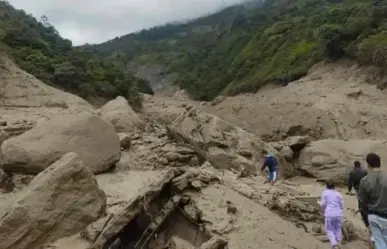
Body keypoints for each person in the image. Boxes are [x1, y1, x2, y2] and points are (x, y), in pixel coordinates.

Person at [359, 153, 387, 249]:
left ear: (368, 165)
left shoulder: (364, 181)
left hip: (373, 216)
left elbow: (362, 202)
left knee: (380, 243)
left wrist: (365, 216)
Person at [347, 161, 374, 244]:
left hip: (358, 189)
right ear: (360, 165)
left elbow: (350, 182)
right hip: (366, 189)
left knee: (360, 201)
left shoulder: (352, 172)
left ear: (354, 165)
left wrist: (349, 190)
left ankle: (362, 212)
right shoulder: (364, 171)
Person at [319, 180, 344, 249]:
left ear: (326, 186)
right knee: (338, 229)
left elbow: (323, 204)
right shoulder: (339, 194)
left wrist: (318, 202)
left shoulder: (325, 193)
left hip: (329, 214)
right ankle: (339, 242)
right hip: (339, 214)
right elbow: (342, 206)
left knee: (329, 230)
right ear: (334, 186)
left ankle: (334, 245)